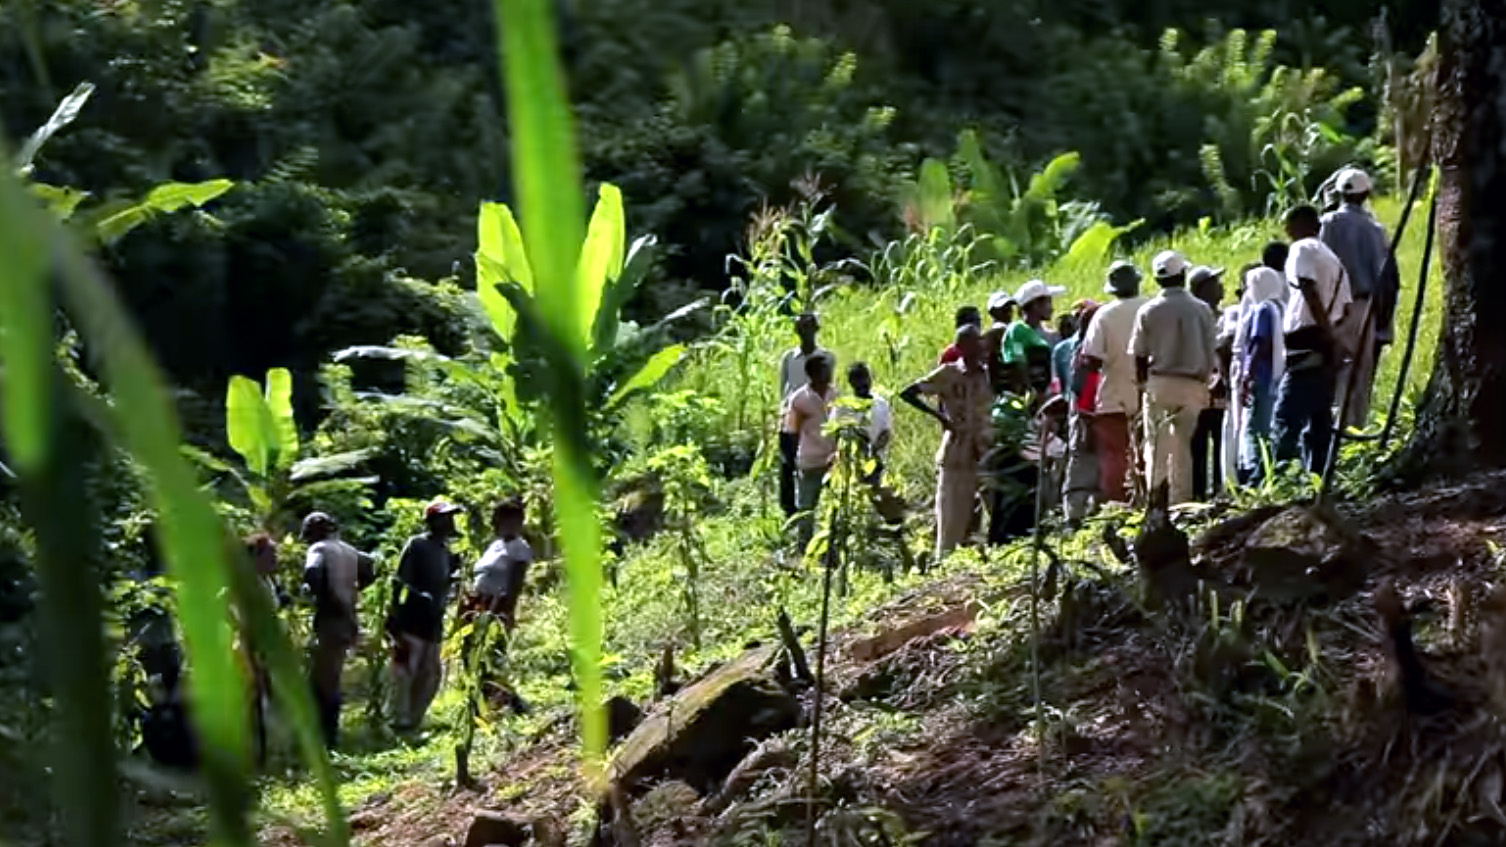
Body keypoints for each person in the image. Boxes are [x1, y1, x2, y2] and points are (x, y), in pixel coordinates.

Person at [1129, 251, 1217, 505]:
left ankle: (1156, 502)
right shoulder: (1202, 310)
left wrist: (1143, 385)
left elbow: (1139, 354)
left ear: (1158, 280)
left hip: (1159, 382)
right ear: (1183, 275)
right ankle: (1181, 503)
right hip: (1192, 384)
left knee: (1155, 448)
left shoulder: (1148, 310)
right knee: (1182, 449)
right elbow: (1210, 350)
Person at [901, 324, 993, 561]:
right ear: (961, 348)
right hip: (957, 454)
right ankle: (944, 564)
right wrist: (941, 417)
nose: (977, 347)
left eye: (979, 341)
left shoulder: (988, 373)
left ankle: (991, 560)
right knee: (951, 519)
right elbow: (909, 392)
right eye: (971, 343)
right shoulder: (948, 373)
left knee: (995, 515)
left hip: (985, 451)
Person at [1275, 205, 1352, 473]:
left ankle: (1278, 479)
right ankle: (1317, 477)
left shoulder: (1301, 249)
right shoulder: (1334, 260)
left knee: (1285, 418)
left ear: (1301, 225)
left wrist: (1324, 332)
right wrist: (1333, 338)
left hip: (1305, 342)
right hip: (1323, 347)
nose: (1286, 231)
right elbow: (1345, 309)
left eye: (1288, 224)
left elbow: (1307, 286)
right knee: (1319, 420)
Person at [1320, 167, 1397, 429]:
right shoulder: (1376, 230)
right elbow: (1387, 276)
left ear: (1340, 194)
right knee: (1360, 375)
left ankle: (1333, 429)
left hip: (1331, 306)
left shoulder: (1328, 224)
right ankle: (1355, 431)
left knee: (1333, 369)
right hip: (1364, 307)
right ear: (1366, 194)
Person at [300, 511, 376, 747]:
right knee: (330, 674)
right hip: (348, 617)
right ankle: (325, 734)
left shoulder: (319, 549)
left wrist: (322, 595)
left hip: (331, 617)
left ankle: (326, 737)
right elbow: (370, 568)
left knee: (325, 679)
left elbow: (312, 573)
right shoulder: (350, 551)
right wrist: (351, 591)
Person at [388, 500, 463, 731]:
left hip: (433, 621)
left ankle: (413, 719)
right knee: (405, 671)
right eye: (444, 517)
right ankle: (397, 720)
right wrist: (415, 600)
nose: (449, 522)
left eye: (451, 517)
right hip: (412, 619)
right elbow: (400, 582)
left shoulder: (445, 552)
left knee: (430, 674)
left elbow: (447, 583)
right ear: (432, 522)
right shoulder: (418, 545)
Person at [1080, 261, 1148, 503]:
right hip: (1146, 395)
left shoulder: (1104, 315)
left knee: (1114, 456)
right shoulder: (1149, 307)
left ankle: (1118, 506)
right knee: (1148, 451)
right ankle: (1147, 500)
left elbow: (1092, 360)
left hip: (1112, 398)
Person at [777, 313, 833, 517]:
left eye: (809, 328)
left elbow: (829, 388)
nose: (805, 332)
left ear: (816, 330)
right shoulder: (789, 358)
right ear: (797, 331)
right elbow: (784, 388)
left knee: (818, 461)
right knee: (788, 462)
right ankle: (790, 511)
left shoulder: (827, 357)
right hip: (793, 414)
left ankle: (818, 507)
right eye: (801, 328)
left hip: (816, 416)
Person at [1237, 263, 1288, 483]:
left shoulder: (1262, 310)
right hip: (1279, 375)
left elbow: (1259, 342)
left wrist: (1248, 375)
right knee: (1269, 425)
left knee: (1253, 428)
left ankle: (1254, 475)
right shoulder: (1282, 306)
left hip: (1262, 375)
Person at [786, 355, 838, 552]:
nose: (830, 373)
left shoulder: (835, 394)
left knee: (835, 505)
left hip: (833, 459)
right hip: (809, 460)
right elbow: (792, 432)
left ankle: (832, 546)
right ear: (814, 373)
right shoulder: (799, 399)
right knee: (807, 507)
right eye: (825, 370)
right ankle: (804, 547)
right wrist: (792, 461)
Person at [1059, 300, 1102, 524]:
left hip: (1091, 416)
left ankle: (1092, 514)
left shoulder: (1090, 351)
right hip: (1085, 418)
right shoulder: (1085, 355)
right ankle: (1073, 516)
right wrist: (1087, 419)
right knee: (1080, 467)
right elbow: (1080, 390)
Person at [1188, 265, 1228, 501]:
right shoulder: (1196, 318)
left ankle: (1220, 488)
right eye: (1215, 282)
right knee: (1199, 442)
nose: (1220, 286)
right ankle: (1198, 492)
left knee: (1221, 439)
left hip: (1219, 389)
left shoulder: (1224, 316)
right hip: (1201, 388)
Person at [471, 498, 533, 631]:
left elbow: (516, 582)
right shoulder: (496, 545)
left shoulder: (520, 548)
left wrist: (505, 611)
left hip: (497, 606)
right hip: (478, 604)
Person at [1004, 279, 1065, 393]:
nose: (1052, 308)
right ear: (1036, 305)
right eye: (1048, 303)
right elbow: (1018, 364)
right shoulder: (1016, 332)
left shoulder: (1048, 334)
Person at [844, 361, 893, 482]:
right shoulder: (844, 406)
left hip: (875, 462)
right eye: (858, 380)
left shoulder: (881, 404)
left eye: (865, 378)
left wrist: (874, 449)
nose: (863, 383)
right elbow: (837, 434)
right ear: (851, 382)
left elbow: (886, 431)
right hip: (850, 464)